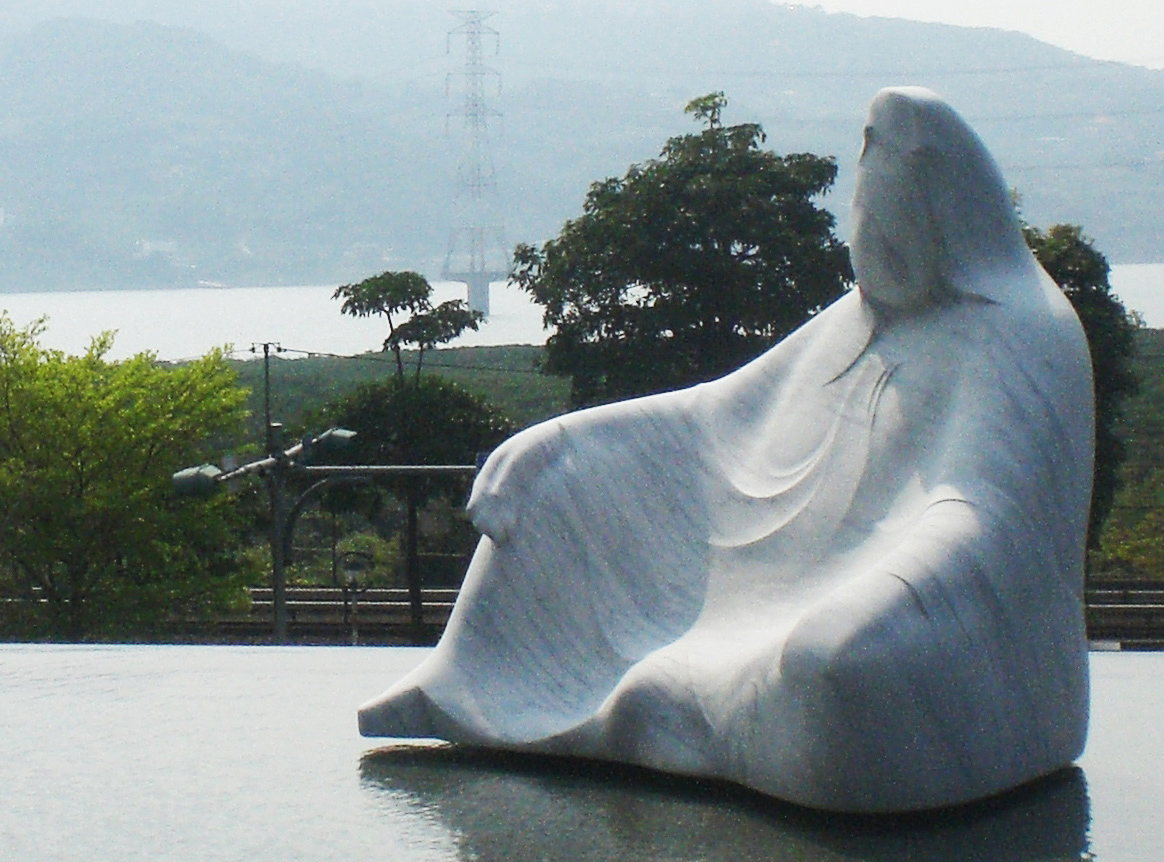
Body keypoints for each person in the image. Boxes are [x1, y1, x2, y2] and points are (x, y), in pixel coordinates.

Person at [360, 87, 1094, 813]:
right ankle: (456, 691)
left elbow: (984, 513)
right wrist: (559, 441)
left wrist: (884, 595)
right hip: (761, 588)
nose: (865, 256)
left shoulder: (1022, 331)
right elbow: (718, 413)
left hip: (933, 596)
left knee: (834, 665)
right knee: (553, 493)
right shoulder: (865, 315)